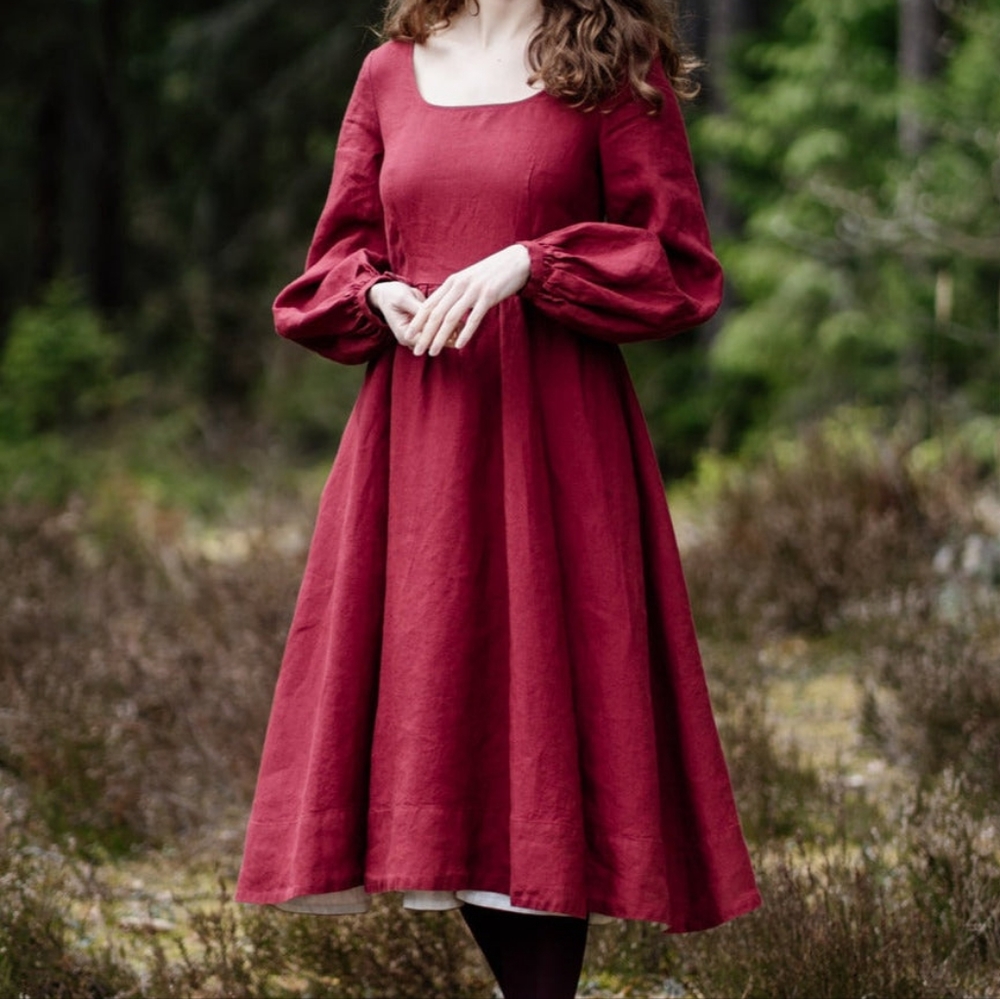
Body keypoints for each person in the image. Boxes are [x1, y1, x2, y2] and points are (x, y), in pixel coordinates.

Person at [235, 0, 761, 995]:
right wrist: (376, 292)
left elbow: (677, 264)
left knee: (545, 729)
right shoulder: (389, 72)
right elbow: (334, 261)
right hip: (420, 445)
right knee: (452, 731)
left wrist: (533, 262)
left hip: (558, 443)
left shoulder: (613, 63)